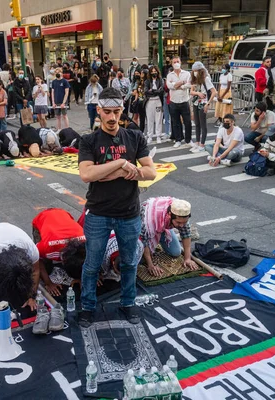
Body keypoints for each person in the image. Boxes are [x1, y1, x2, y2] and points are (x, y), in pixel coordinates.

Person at [77, 87, 156, 327]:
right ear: (98, 111)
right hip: (98, 214)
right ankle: (88, 307)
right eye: (107, 112)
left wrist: (106, 173)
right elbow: (86, 175)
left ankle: (128, 303)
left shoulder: (135, 137)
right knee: (92, 264)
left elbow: (151, 172)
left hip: (128, 213)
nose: (112, 118)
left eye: (117, 111)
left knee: (130, 262)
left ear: (122, 110)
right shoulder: (89, 140)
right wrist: (121, 164)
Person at [32, 208, 86, 295]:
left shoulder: (86, 243)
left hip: (64, 214)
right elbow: (36, 260)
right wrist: (48, 283)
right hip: (43, 217)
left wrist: (81, 278)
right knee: (46, 269)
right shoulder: (47, 247)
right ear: (63, 261)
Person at [140, 198, 197, 277]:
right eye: (178, 222)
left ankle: (162, 232)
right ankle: (157, 236)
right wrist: (150, 264)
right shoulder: (147, 220)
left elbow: (186, 234)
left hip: (163, 225)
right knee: (141, 258)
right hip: (148, 229)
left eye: (184, 222)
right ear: (169, 215)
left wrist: (187, 258)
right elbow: (144, 240)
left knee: (176, 252)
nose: (181, 225)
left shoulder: (182, 212)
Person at [190, 61, 217, 153]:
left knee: (202, 124)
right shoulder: (194, 79)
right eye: (193, 71)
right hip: (196, 102)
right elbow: (191, 91)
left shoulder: (206, 79)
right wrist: (198, 93)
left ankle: (202, 144)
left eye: (196, 70)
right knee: (197, 123)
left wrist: (208, 104)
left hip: (203, 103)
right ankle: (197, 142)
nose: (194, 72)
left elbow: (214, 92)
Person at [166, 56, 192, 148]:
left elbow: (189, 84)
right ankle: (178, 139)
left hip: (184, 101)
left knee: (187, 121)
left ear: (180, 62)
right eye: (174, 62)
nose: (176, 63)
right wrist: (181, 83)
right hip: (174, 101)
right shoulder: (169, 75)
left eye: (177, 61)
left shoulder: (187, 73)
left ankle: (188, 140)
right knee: (176, 122)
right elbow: (170, 86)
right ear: (172, 64)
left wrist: (178, 85)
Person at [144, 65, 165, 144]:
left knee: (158, 119)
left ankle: (158, 136)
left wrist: (152, 91)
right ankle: (150, 136)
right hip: (149, 101)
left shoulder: (161, 80)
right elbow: (146, 91)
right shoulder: (147, 81)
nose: (154, 73)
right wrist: (155, 91)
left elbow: (161, 90)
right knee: (150, 119)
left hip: (158, 101)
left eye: (155, 71)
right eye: (152, 71)